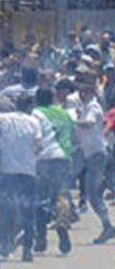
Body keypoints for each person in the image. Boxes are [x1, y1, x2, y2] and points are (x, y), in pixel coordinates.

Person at [0, 94, 41, 261]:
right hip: (28, 171)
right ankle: (27, 250)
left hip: (7, 170)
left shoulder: (3, 118)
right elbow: (38, 145)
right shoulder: (34, 122)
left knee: (5, 208)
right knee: (28, 211)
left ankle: (3, 244)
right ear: (30, 106)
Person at [69, 79, 115, 243]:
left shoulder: (93, 107)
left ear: (92, 93)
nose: (82, 95)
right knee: (95, 189)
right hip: (89, 153)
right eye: (80, 92)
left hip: (97, 153)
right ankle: (107, 225)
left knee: (92, 192)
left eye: (85, 92)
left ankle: (107, 226)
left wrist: (71, 121)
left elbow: (88, 123)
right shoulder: (82, 107)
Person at [32, 86, 73, 254]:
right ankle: (62, 224)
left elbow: (36, 137)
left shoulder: (36, 113)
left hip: (44, 158)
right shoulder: (64, 114)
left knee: (41, 197)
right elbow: (73, 135)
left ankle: (41, 237)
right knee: (61, 195)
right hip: (63, 157)